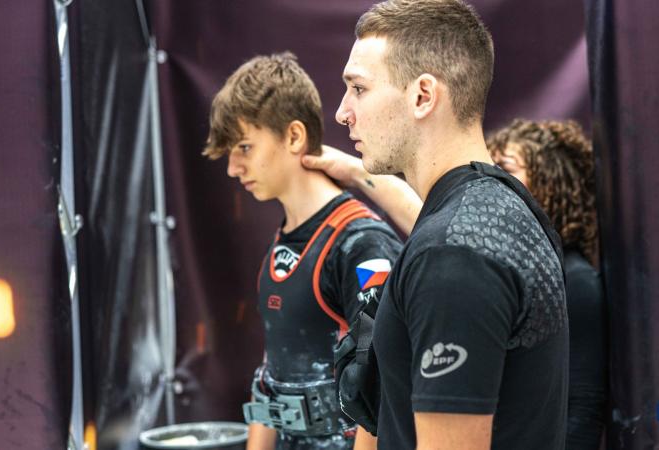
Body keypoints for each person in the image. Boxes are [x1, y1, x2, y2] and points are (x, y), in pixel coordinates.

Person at [328, 1, 569, 448]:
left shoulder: (451, 256)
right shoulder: (498, 208)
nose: (343, 112)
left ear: (423, 96)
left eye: (358, 88)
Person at [202, 52, 402, 450]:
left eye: (245, 147)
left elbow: (381, 385)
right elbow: (273, 370)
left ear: (294, 136)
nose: (233, 167)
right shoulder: (285, 242)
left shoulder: (362, 244)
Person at [487, 119, 607, 449]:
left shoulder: (576, 281)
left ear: (550, 181)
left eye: (506, 168)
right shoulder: (500, 269)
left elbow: (583, 408)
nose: (491, 181)